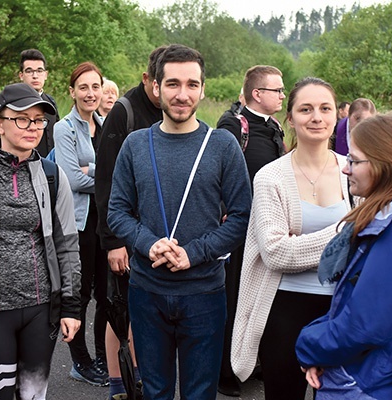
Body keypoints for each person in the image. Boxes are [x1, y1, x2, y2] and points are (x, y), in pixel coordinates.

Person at [108, 44, 252, 400]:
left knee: (200, 393)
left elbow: (241, 217)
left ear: (203, 89)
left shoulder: (223, 145)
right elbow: (117, 212)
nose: (182, 94)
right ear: (156, 87)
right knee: (155, 391)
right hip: (147, 291)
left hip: (204, 293)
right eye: (172, 84)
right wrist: (147, 243)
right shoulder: (135, 144)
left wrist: (195, 253)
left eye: (191, 84)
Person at [296, 113, 392, 399]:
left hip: (368, 384)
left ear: (385, 166)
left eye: (354, 160)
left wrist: (308, 346)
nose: (346, 169)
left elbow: (365, 326)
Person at [0, 83, 81, 400]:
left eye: (38, 120)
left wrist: (72, 306)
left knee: (33, 395)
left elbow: (68, 245)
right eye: (22, 118)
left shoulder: (53, 175)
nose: (32, 127)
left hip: (40, 310)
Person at [231, 77, 352, 400]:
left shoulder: (354, 170)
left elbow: (373, 238)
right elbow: (276, 254)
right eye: (306, 109)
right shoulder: (271, 176)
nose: (317, 117)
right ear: (290, 117)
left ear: (336, 115)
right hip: (284, 307)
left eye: (325, 108)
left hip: (343, 306)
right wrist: (345, 232)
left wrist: (301, 242)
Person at [96, 46, 165, 400]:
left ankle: (141, 378)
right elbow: (105, 180)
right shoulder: (123, 111)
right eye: (161, 83)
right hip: (123, 232)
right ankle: (118, 386)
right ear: (147, 79)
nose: (167, 92)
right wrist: (112, 241)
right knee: (119, 313)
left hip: (157, 234)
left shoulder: (173, 114)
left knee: (147, 312)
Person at [215, 64, 287, 396]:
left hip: (268, 228)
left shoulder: (274, 128)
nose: (283, 95)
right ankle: (225, 371)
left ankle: (251, 362)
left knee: (262, 296)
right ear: (258, 94)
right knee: (233, 298)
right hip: (239, 230)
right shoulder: (233, 125)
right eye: (278, 90)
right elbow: (219, 175)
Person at [53, 61, 109, 386]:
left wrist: (93, 171)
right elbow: (72, 178)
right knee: (79, 294)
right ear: (72, 92)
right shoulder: (64, 128)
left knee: (106, 294)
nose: (90, 94)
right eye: (83, 87)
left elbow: (107, 170)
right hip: (79, 223)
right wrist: (103, 175)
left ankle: (103, 356)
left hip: (105, 222)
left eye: (95, 87)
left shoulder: (106, 125)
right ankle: (80, 361)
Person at [19, 48, 60, 157]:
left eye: (39, 71)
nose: (35, 76)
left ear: (45, 75)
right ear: (21, 75)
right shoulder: (15, 104)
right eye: (29, 71)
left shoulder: (51, 102)